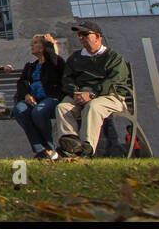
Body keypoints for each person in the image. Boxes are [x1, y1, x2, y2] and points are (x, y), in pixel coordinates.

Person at [55, 20, 130, 159]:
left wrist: (92, 94)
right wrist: (75, 93)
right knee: (63, 107)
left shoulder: (113, 57)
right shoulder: (75, 58)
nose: (81, 38)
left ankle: (86, 148)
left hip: (109, 96)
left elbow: (115, 81)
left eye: (85, 34)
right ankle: (70, 147)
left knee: (93, 106)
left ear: (97, 36)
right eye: (79, 35)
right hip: (80, 95)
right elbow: (67, 79)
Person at [13, 33, 65, 160]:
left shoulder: (55, 62)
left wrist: (49, 45)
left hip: (51, 98)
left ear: (44, 46)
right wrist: (26, 94)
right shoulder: (31, 66)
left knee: (38, 112)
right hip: (32, 99)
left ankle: (49, 148)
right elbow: (21, 82)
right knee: (19, 110)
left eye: (35, 42)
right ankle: (41, 150)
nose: (32, 45)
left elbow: (56, 63)